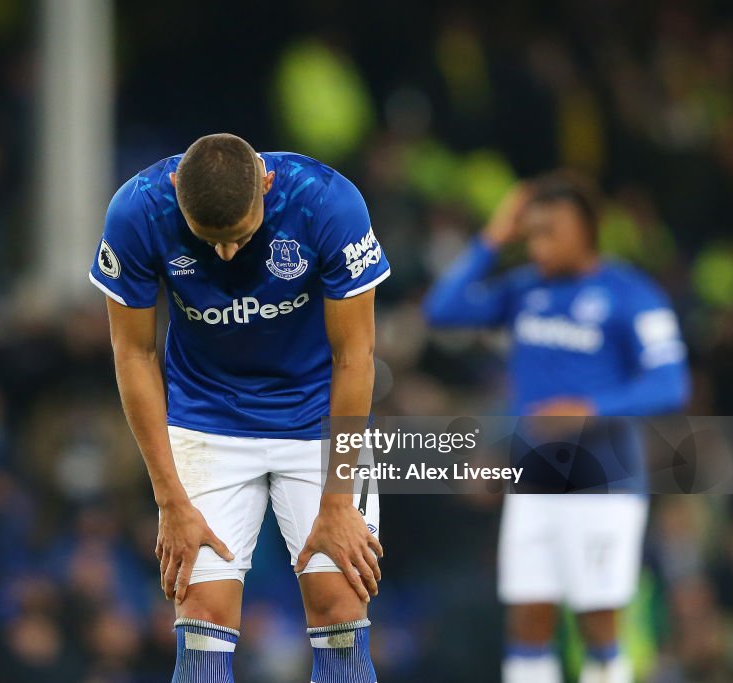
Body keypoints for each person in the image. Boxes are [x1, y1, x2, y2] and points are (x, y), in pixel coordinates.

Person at [89, 133, 389, 682]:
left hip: (317, 418)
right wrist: (170, 501)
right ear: (177, 191)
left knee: (340, 606)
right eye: (211, 241)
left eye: (240, 238)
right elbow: (132, 353)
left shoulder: (327, 202)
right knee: (201, 617)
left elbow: (356, 355)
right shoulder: (137, 211)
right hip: (206, 419)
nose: (226, 253)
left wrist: (341, 501)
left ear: (267, 185)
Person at [424, 172, 690, 683]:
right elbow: (442, 310)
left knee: (598, 622)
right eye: (533, 231)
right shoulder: (523, 289)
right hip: (536, 481)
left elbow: (670, 383)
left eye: (552, 231)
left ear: (588, 230)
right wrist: (493, 237)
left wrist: (591, 408)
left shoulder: (632, 293)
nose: (539, 243)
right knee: (528, 619)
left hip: (604, 482)